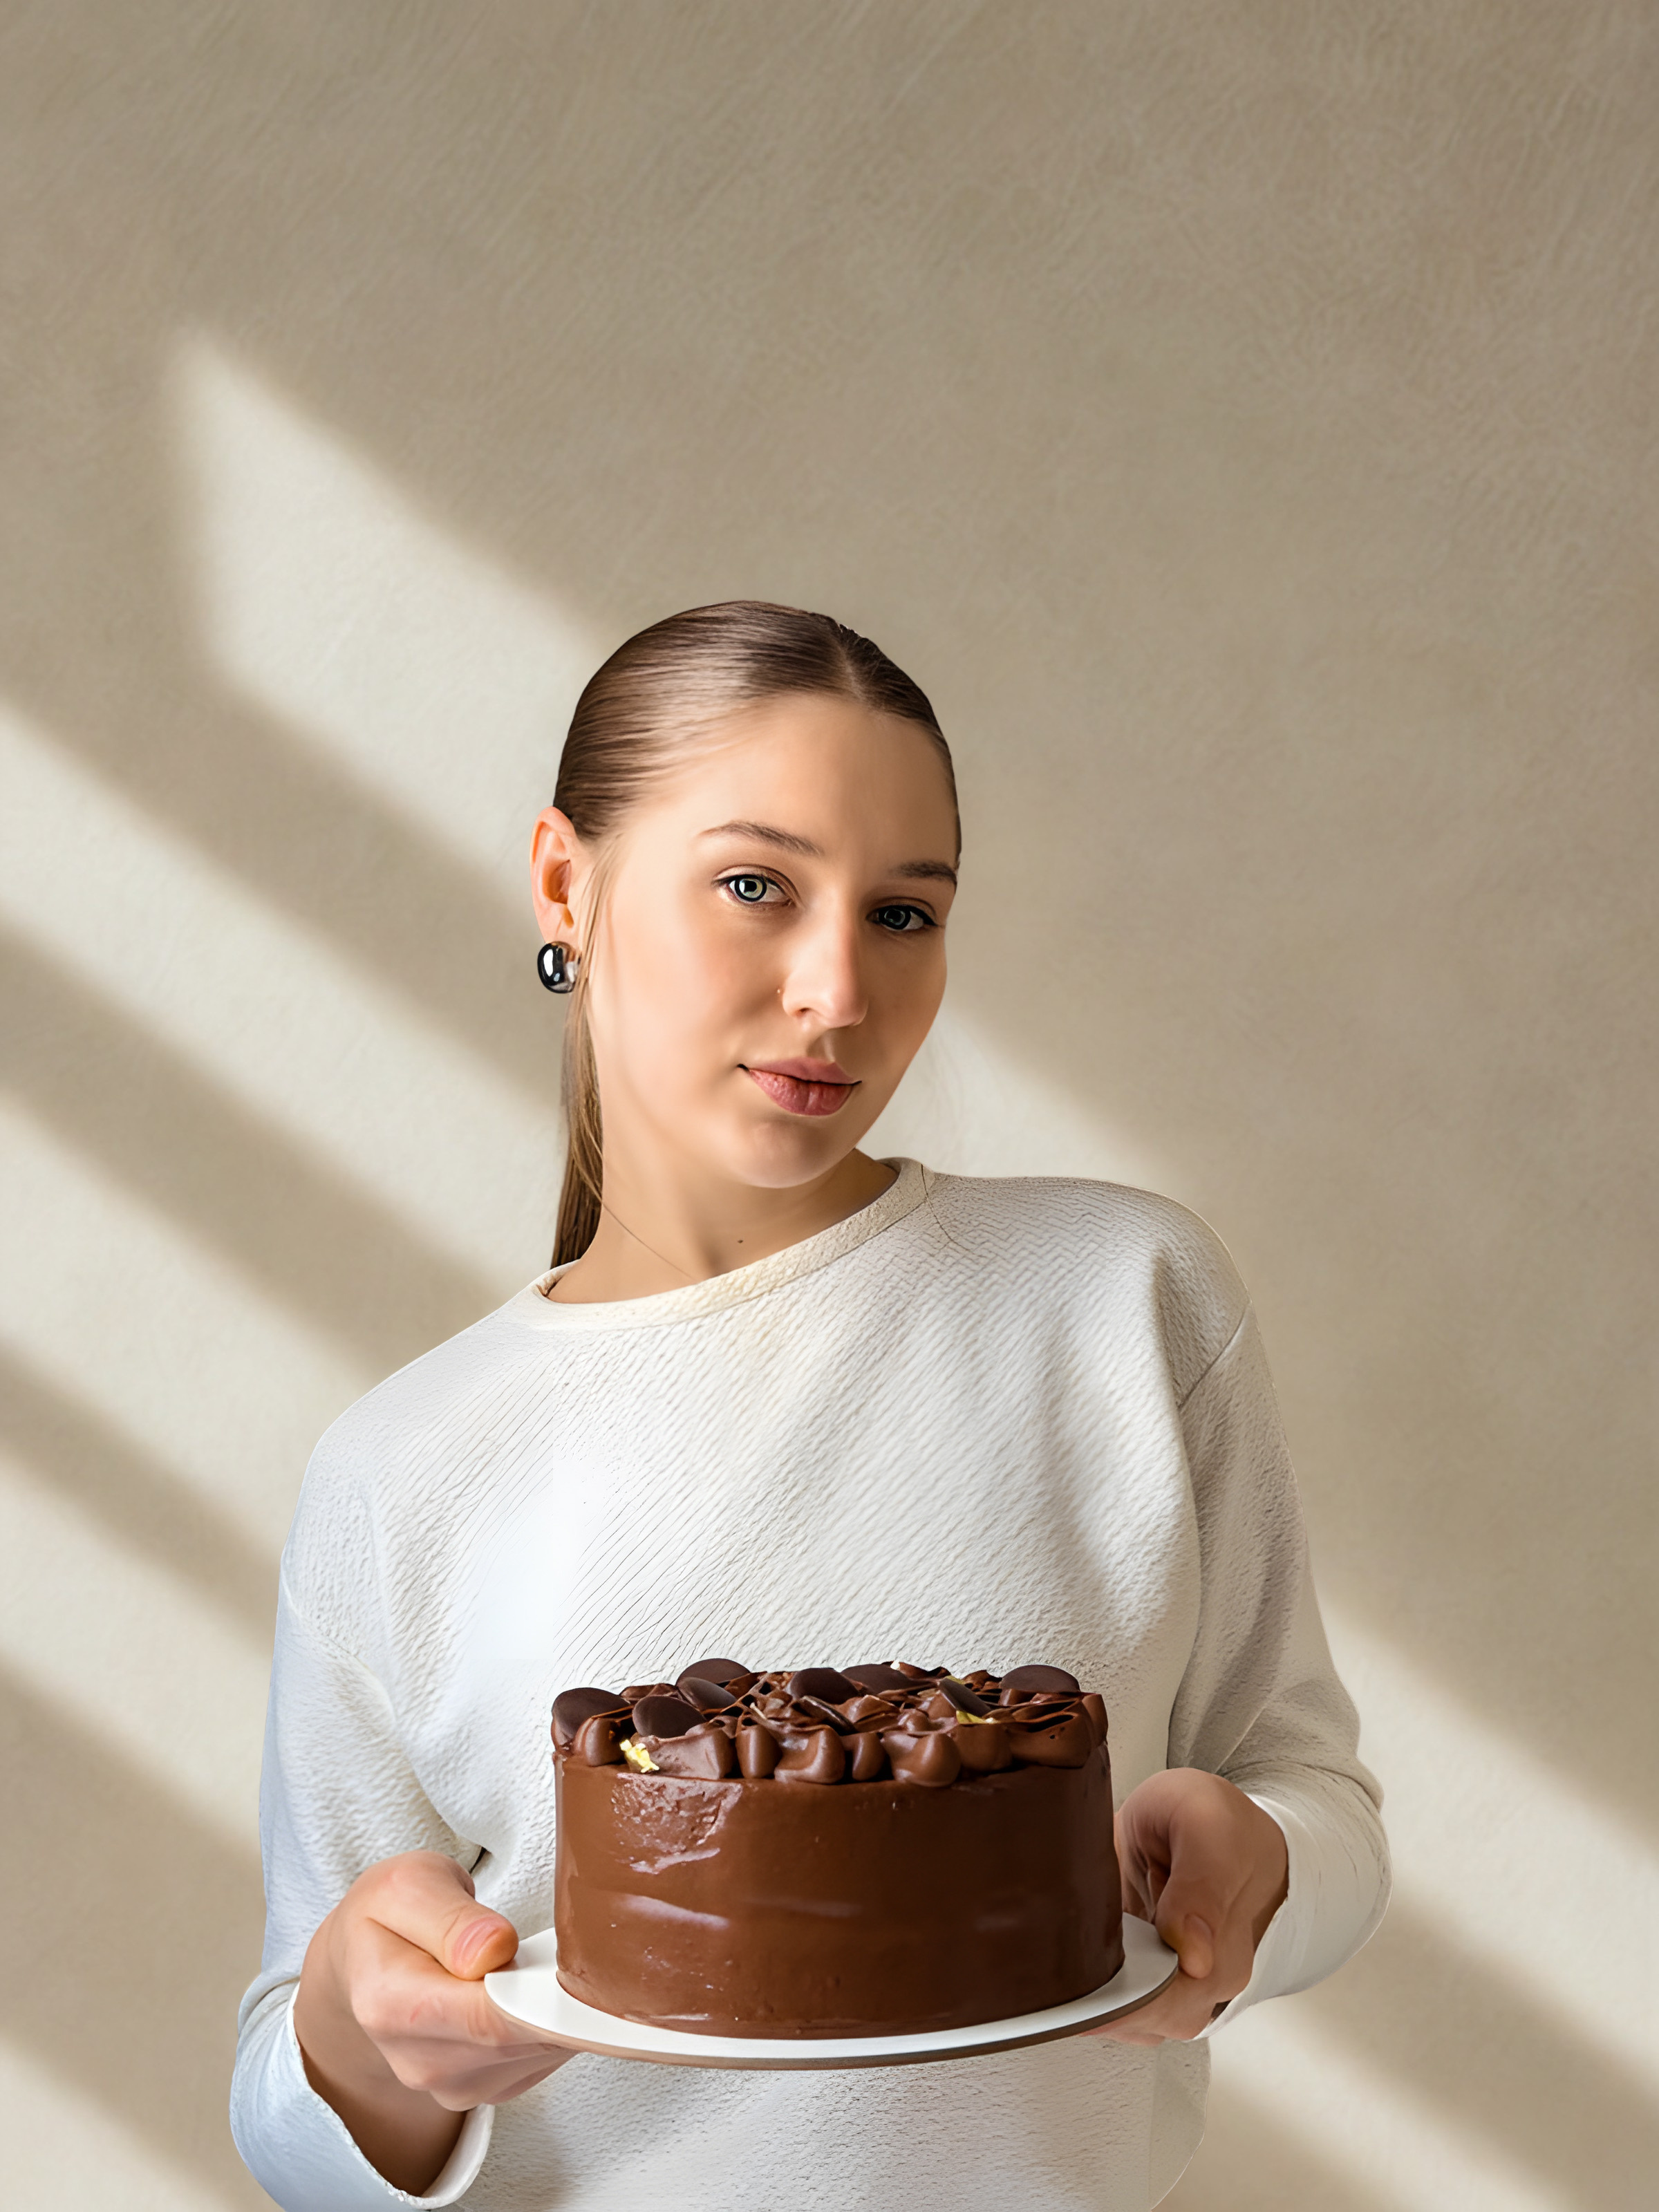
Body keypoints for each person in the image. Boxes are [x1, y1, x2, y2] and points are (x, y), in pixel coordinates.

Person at [230, 601, 1388, 2212]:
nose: (838, 991)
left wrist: (1266, 1866)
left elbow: (1313, 1801)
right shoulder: (399, 1468)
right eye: (755, 886)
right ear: (569, 881)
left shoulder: (1122, 1294)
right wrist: (365, 2046)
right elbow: (297, 2100)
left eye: (906, 913)